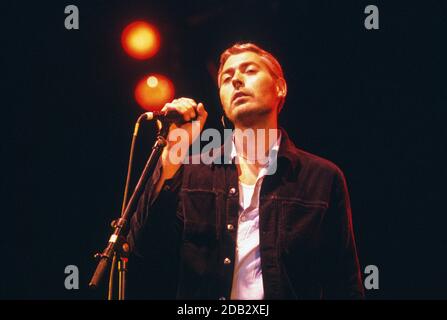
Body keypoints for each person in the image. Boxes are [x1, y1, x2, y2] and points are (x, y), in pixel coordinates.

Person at [127, 43, 364, 299]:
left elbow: (344, 282)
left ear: (280, 87)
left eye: (249, 71)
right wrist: (171, 155)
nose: (237, 80)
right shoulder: (192, 172)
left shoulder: (322, 178)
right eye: (226, 79)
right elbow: (143, 246)